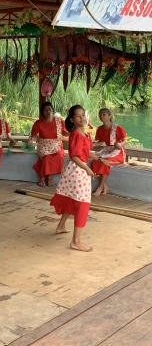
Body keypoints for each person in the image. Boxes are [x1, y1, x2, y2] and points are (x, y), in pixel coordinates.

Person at [50, 105, 110, 252]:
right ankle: (76, 242)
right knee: (82, 205)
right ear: (72, 119)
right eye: (78, 116)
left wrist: (100, 159)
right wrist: (88, 169)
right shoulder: (76, 134)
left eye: (83, 114)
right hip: (78, 171)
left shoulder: (83, 133)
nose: (82, 118)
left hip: (78, 170)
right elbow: (75, 156)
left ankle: (61, 226)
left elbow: (86, 152)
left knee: (72, 200)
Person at [30, 102, 68, 186]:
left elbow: (66, 134)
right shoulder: (38, 123)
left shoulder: (59, 122)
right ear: (42, 112)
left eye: (50, 109)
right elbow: (33, 136)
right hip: (43, 145)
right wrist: (31, 142)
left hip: (56, 145)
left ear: (53, 111)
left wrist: (66, 137)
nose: (48, 111)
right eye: (45, 110)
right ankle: (43, 178)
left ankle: (48, 177)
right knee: (46, 157)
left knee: (58, 155)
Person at [92, 108, 126, 196]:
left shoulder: (117, 128)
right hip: (107, 150)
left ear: (110, 116)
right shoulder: (99, 129)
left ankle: (100, 187)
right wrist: (91, 144)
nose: (101, 116)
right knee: (95, 161)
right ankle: (105, 186)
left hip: (118, 152)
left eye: (104, 114)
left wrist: (120, 144)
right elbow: (98, 142)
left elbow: (125, 140)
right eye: (100, 114)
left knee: (104, 162)